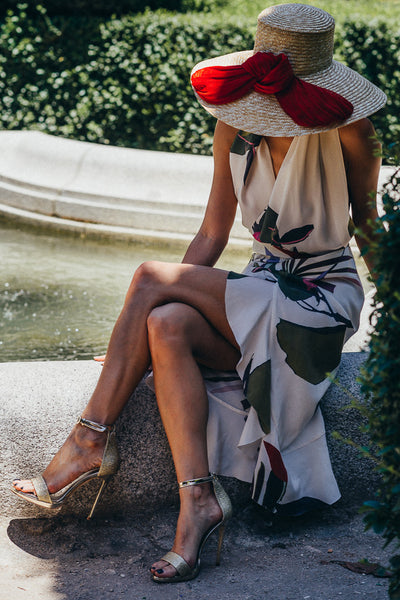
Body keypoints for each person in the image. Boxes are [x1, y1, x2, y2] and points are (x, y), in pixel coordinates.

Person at [12, 3, 386, 584]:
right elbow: (213, 232)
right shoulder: (235, 126)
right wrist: (140, 324)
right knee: (163, 324)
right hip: (262, 284)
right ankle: (199, 505)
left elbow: (368, 228)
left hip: (318, 301)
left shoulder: (351, 131)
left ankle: (89, 442)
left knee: (147, 278)